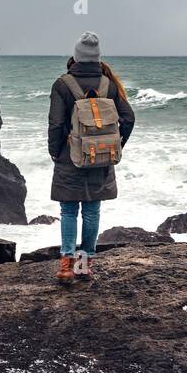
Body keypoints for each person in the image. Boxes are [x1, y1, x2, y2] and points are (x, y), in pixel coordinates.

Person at [47, 32, 135, 283]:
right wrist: (115, 146)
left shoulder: (63, 84)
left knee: (68, 210)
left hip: (69, 157)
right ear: (97, 57)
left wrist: (55, 151)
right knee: (92, 210)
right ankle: (84, 266)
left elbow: (55, 123)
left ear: (76, 56)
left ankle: (66, 266)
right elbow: (128, 118)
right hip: (102, 158)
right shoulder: (108, 84)